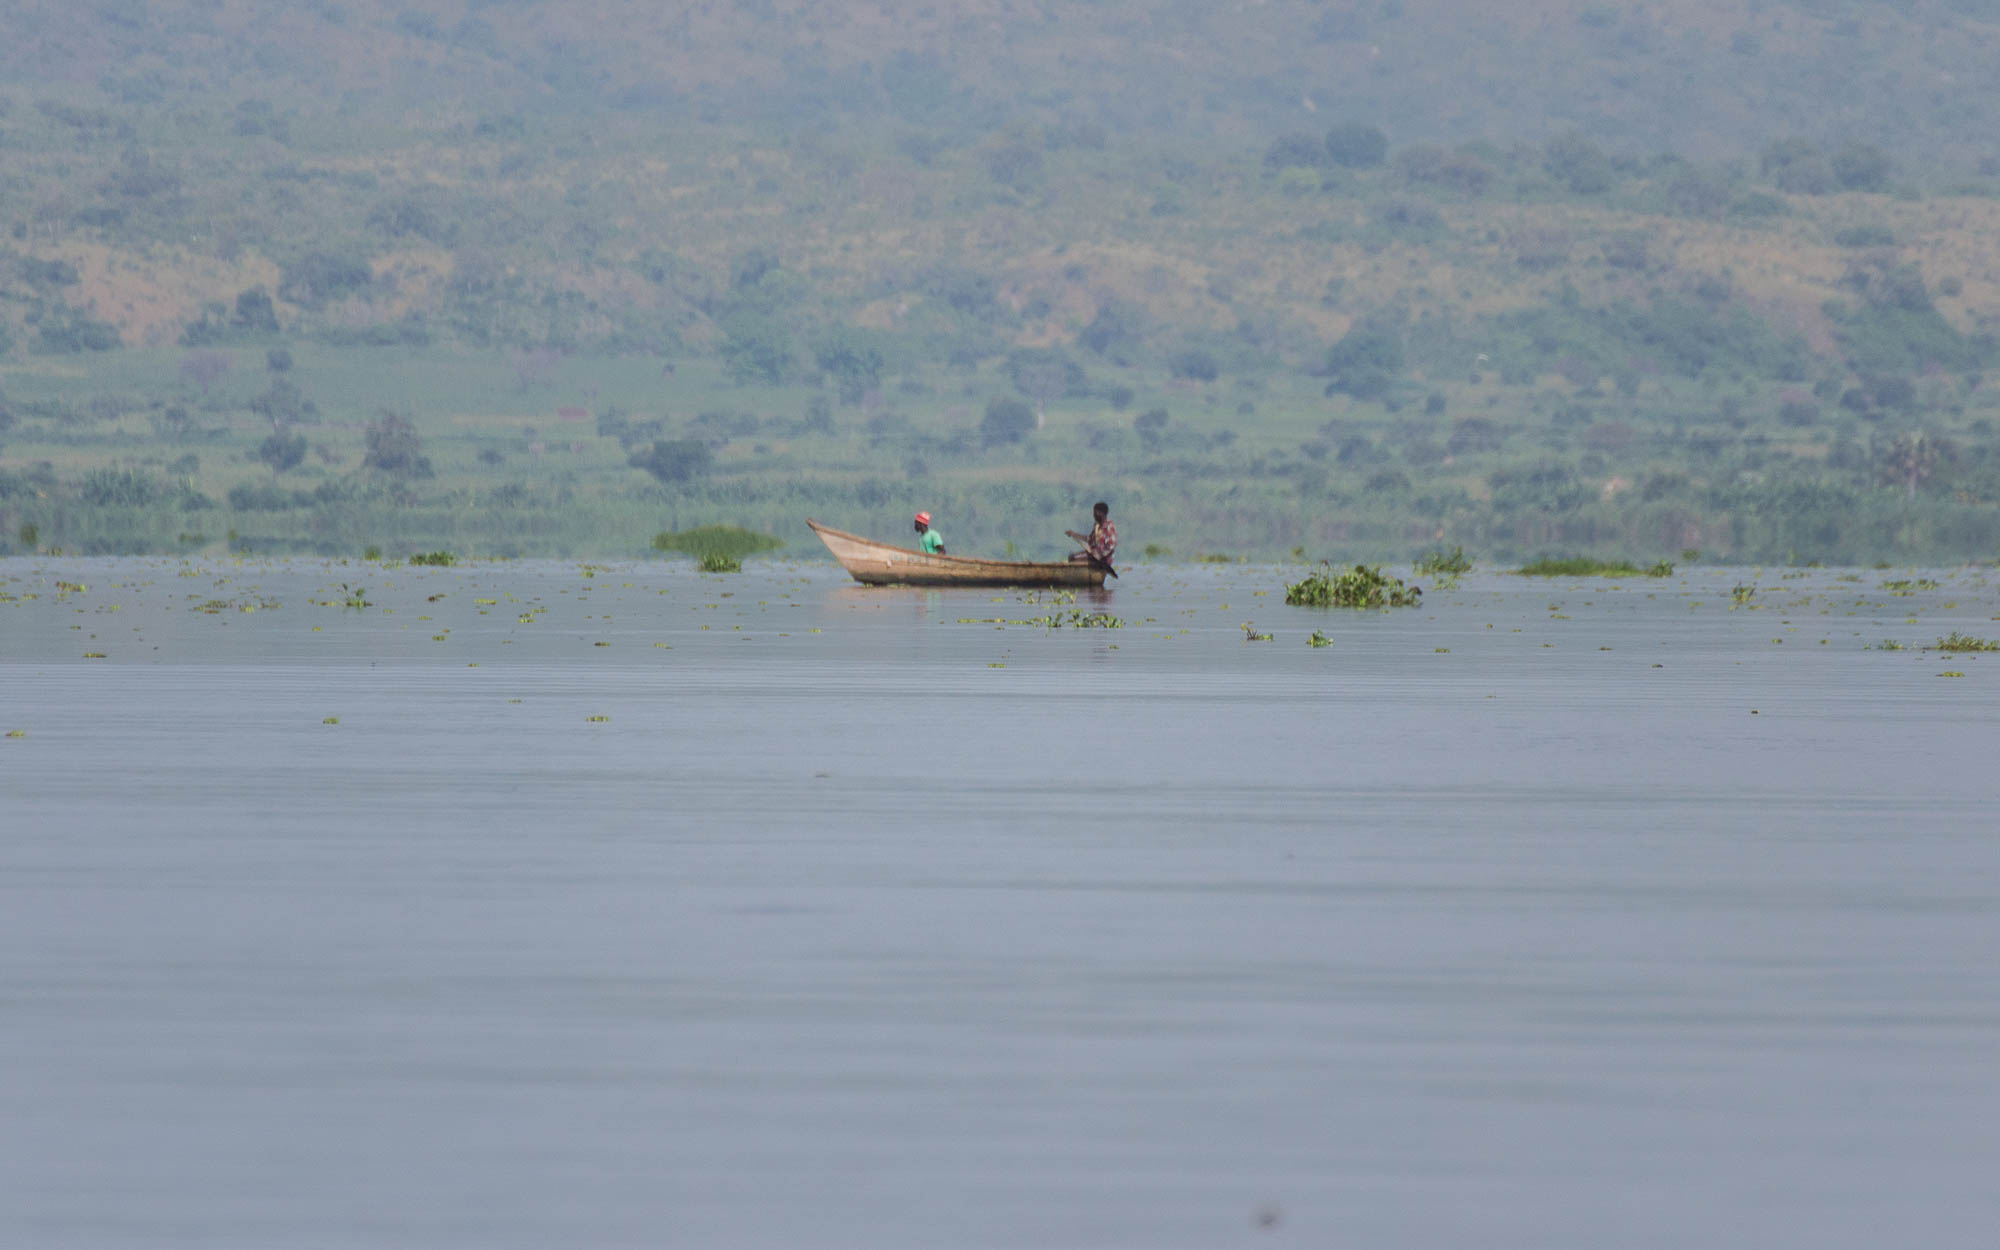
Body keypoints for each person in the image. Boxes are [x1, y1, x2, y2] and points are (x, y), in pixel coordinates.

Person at [1067, 501, 1116, 568]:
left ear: (1101, 513)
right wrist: (1074, 534)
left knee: (1074, 559)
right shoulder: (1097, 527)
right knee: (1071, 557)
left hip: (1103, 560)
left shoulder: (1109, 526)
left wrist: (1099, 556)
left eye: (1095, 513)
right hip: (1093, 556)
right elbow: (1090, 539)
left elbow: (1111, 546)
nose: (1094, 515)